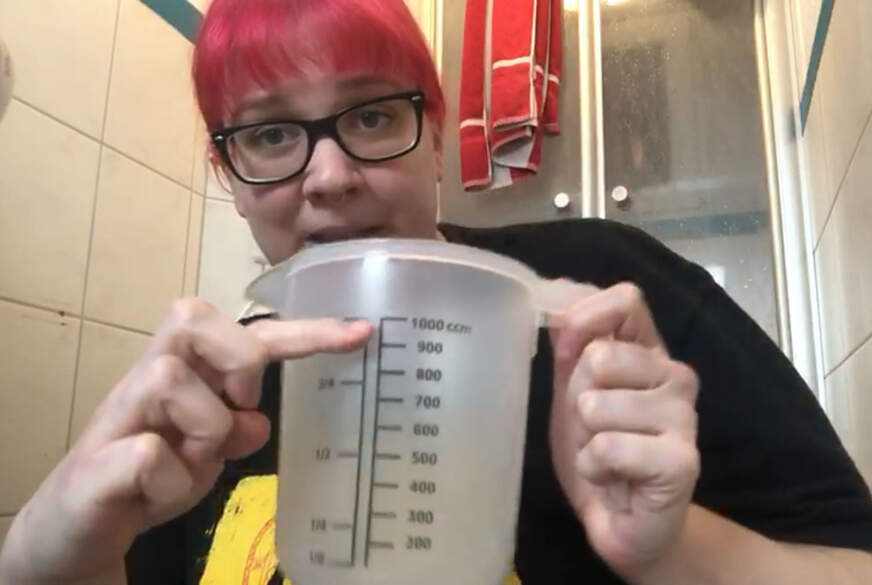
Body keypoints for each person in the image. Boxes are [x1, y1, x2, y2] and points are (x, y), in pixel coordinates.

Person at [2, 1, 871, 584]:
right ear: (228, 174)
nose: (330, 176)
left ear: (436, 129)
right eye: (269, 134)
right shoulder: (207, 405)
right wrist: (48, 554)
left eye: (371, 115)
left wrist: (677, 549)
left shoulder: (607, 298)